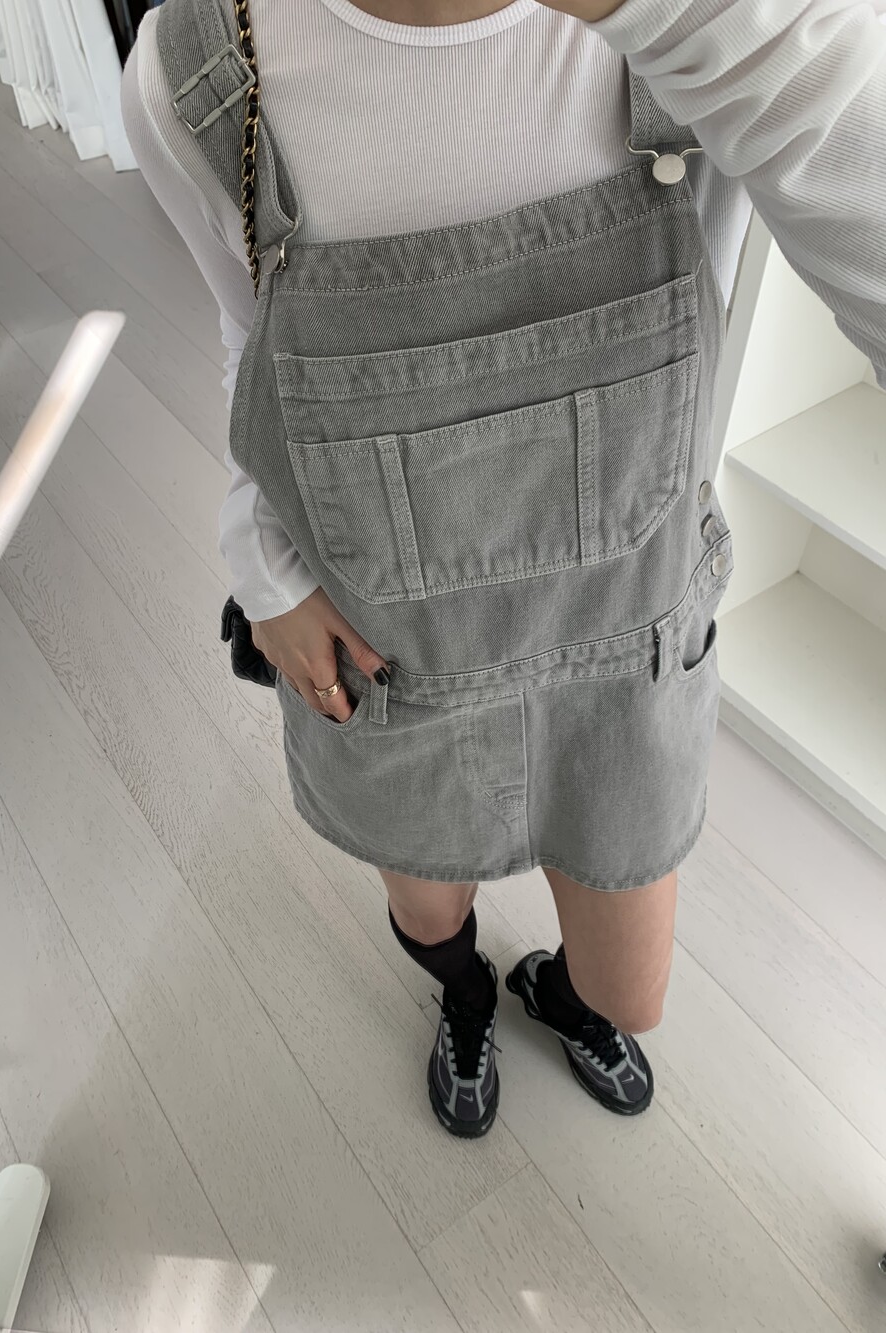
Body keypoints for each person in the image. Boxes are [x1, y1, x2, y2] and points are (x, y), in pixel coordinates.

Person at [121, 0, 886, 1138]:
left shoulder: (717, 32)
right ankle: (467, 993)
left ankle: (557, 994)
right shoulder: (196, 69)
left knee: (630, 990)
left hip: (621, 640)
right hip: (396, 659)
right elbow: (253, 340)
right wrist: (260, 566)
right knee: (431, 914)